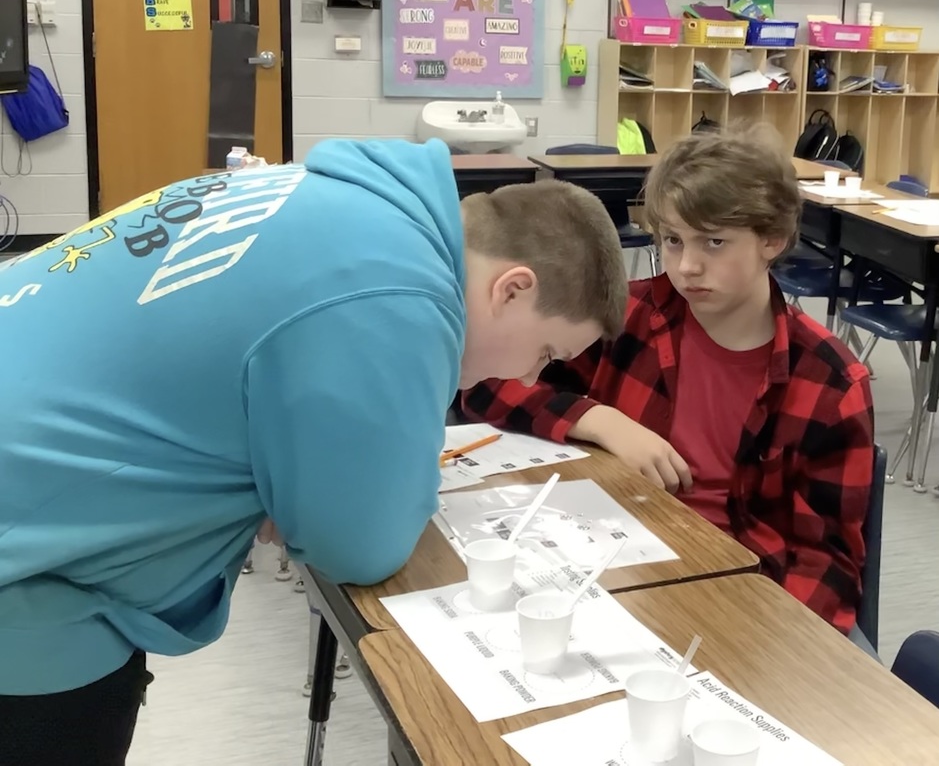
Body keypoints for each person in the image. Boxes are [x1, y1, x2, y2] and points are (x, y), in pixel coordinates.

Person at [0, 137, 627, 765]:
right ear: (512, 290)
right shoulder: (398, 291)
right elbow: (361, 543)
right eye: (546, 353)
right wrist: (322, 498)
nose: (525, 374)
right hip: (30, 573)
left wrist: (308, 486)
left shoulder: (341, 200)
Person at [464, 125, 874, 645]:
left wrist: (769, 646)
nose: (686, 266)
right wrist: (597, 419)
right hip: (617, 559)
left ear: (772, 239)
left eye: (715, 242)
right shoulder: (629, 315)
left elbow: (827, 566)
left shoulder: (829, 383)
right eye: (672, 240)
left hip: (744, 590)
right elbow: (482, 386)